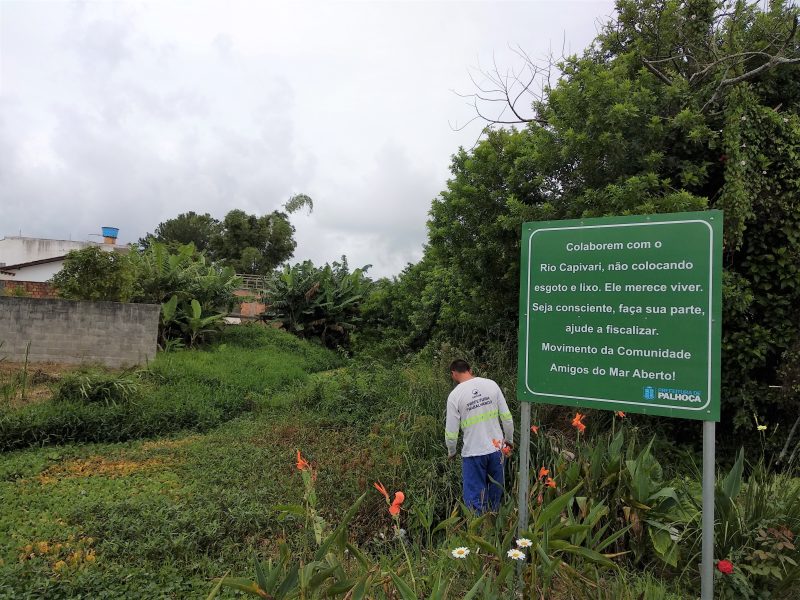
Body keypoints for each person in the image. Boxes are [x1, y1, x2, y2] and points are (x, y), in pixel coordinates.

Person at [444, 359, 514, 514]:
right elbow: (507, 418)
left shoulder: (455, 395)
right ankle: (496, 529)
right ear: (470, 369)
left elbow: (451, 432)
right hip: (497, 450)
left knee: (475, 501)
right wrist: (508, 441)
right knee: (495, 496)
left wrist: (452, 451)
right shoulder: (491, 385)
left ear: (454, 374)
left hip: (473, 453)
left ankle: (479, 532)